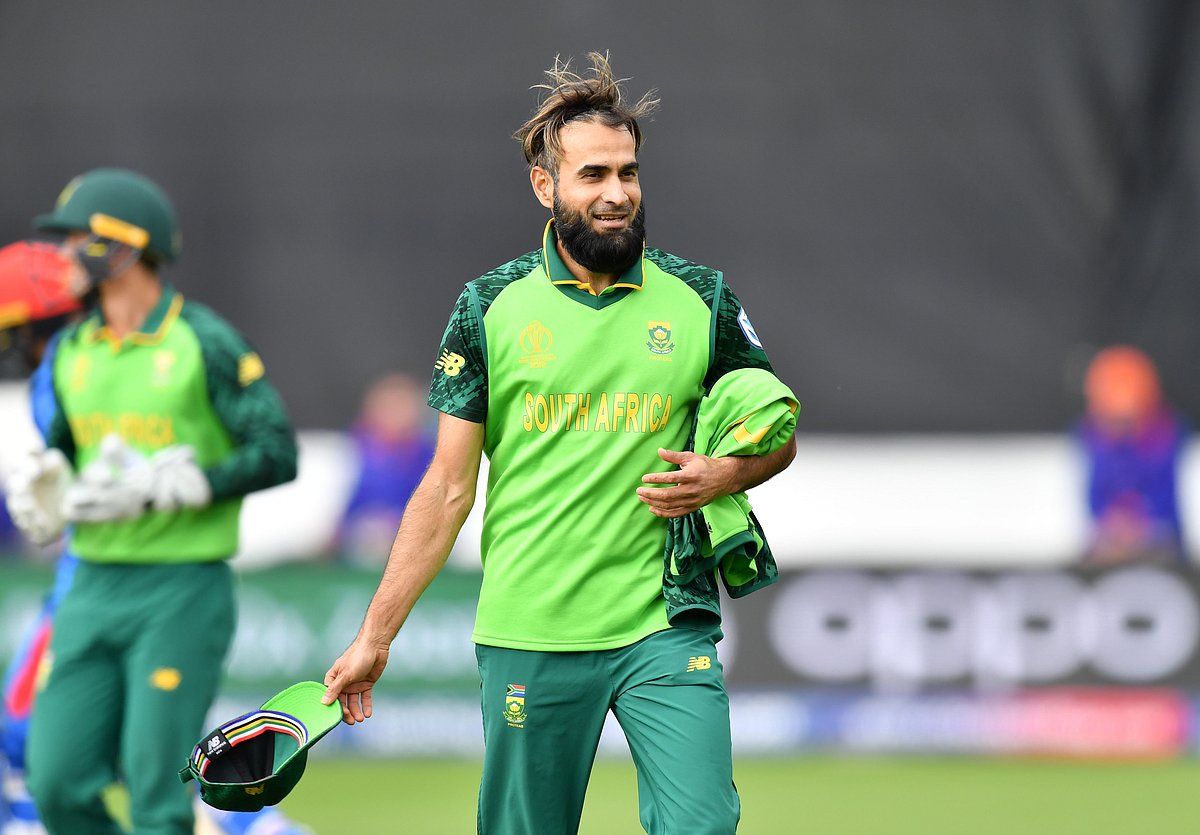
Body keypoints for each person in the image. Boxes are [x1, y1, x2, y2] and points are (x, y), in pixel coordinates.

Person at [322, 53, 797, 834]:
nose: (617, 193)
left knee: (702, 823)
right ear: (546, 187)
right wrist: (376, 636)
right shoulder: (488, 306)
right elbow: (447, 486)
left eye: (628, 172)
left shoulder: (701, 298)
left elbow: (776, 431)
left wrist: (727, 472)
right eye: (593, 175)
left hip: (664, 622)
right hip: (530, 629)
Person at [3, 169, 299, 835]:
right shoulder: (73, 350)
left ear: (126, 245)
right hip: (91, 587)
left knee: (155, 793)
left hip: (179, 587)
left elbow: (277, 449)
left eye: (77, 238)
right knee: (56, 782)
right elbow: (67, 461)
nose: (63, 254)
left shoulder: (202, 339)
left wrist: (198, 484)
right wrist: (50, 492)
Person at [1076, 344, 1189, 565]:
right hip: (1110, 540)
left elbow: (1165, 499)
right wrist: (1114, 527)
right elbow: (1095, 497)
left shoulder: (1168, 433)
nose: (1122, 425)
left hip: (1159, 540)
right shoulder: (1090, 435)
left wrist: (1140, 528)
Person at [335, 372, 435, 565]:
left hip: (410, 539)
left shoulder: (428, 453)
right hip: (353, 538)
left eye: (402, 406)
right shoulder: (352, 448)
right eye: (389, 407)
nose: (397, 415)